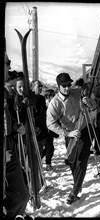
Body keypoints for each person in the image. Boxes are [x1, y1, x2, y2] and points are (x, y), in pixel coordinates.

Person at [46, 72, 97, 204]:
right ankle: (77, 184)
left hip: (84, 130)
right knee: (73, 161)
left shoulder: (76, 92)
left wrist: (88, 98)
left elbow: (88, 90)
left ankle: (74, 190)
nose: (67, 88)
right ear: (58, 86)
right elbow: (50, 123)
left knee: (81, 160)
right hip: (70, 133)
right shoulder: (55, 103)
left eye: (69, 85)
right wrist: (66, 133)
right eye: (64, 86)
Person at [3, 54, 30, 219]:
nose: (9, 67)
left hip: (9, 146)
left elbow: (6, 117)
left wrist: (15, 127)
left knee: (22, 196)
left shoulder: (6, 93)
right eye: (8, 63)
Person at [30, 80, 49, 158]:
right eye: (39, 86)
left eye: (41, 86)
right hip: (34, 129)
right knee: (34, 154)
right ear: (32, 87)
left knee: (40, 152)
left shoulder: (42, 98)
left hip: (42, 129)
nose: (41, 88)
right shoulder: (30, 98)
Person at [43, 89, 59, 171]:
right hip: (46, 129)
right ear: (48, 97)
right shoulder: (45, 105)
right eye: (52, 95)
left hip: (51, 129)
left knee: (47, 147)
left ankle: (39, 159)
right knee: (50, 148)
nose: (54, 96)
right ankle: (48, 164)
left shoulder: (53, 104)